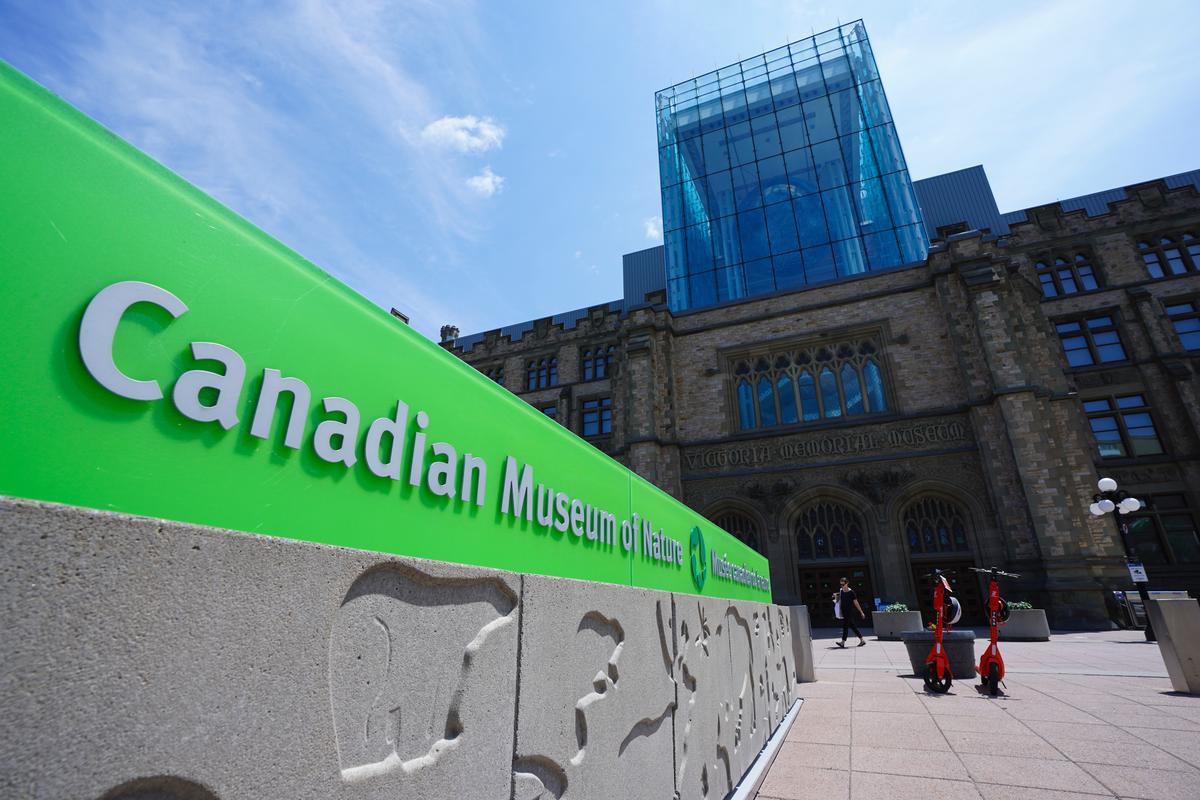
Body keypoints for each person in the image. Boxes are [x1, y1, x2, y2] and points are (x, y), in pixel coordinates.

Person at [832, 577, 867, 647]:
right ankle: (862, 640)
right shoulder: (841, 591)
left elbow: (856, 603)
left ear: (847, 583)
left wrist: (861, 612)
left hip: (849, 612)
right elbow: (837, 600)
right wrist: (834, 597)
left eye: (843, 584)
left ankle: (842, 642)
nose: (842, 586)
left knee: (845, 626)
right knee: (852, 626)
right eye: (841, 584)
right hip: (844, 611)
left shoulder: (851, 592)